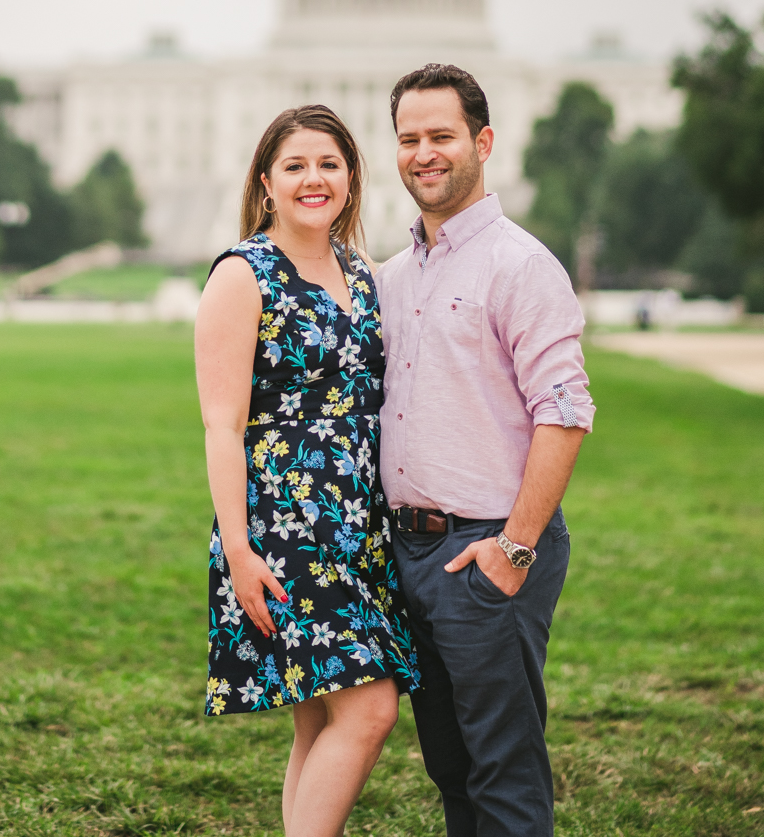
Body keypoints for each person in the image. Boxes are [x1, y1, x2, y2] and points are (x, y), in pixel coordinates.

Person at [375, 63, 595, 837]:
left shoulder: (521, 265)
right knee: (451, 764)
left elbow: (565, 412)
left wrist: (515, 547)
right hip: (412, 551)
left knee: (502, 766)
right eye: (409, 138)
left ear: (484, 141)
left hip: (489, 548)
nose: (424, 153)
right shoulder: (392, 276)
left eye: (441, 136)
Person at [195, 104, 418, 837]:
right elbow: (221, 426)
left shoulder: (362, 269)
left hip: (357, 522)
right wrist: (238, 549)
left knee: (319, 720)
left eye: (329, 163)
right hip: (287, 525)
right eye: (295, 165)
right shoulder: (242, 273)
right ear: (266, 183)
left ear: (352, 179)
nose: (313, 178)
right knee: (370, 707)